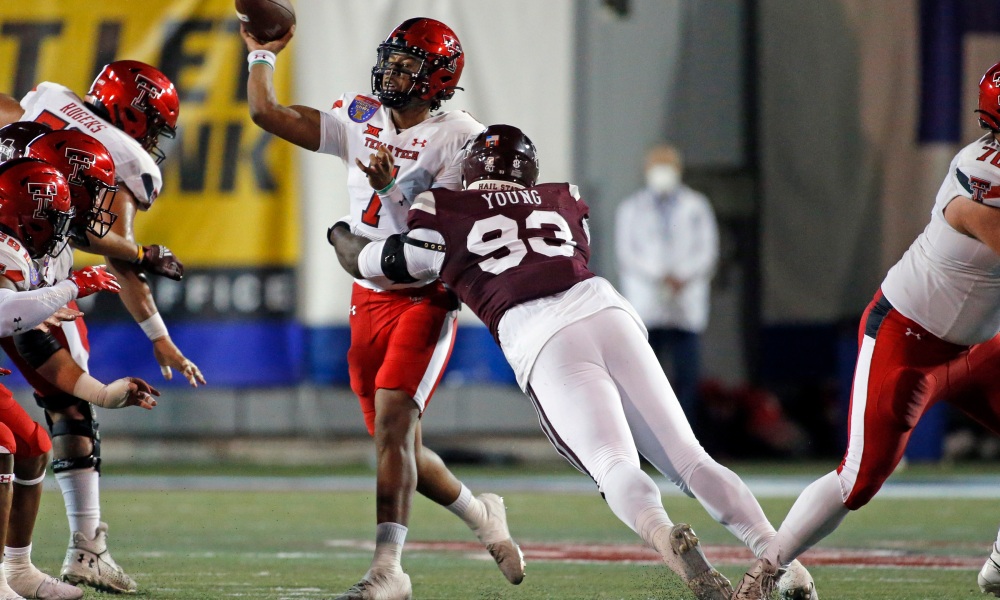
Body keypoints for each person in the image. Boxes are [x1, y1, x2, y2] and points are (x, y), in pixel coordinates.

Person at [330, 124, 817, 600]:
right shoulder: (562, 199)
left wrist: (343, 235)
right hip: (607, 310)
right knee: (691, 460)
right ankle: (787, 566)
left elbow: (376, 264)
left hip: (542, 335)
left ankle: (666, 535)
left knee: (613, 464)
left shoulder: (440, 208)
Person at [242, 17, 523, 599]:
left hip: (425, 297)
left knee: (396, 428)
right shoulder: (359, 116)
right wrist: (261, 57)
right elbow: (268, 114)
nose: (391, 72)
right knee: (399, 445)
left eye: (407, 65)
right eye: (390, 60)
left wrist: (393, 189)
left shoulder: (461, 137)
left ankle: (388, 570)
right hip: (368, 296)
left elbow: (437, 242)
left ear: (438, 79)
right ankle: (481, 514)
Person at [731, 60, 1000, 600]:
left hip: (968, 345)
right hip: (908, 335)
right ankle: (767, 571)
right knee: (861, 476)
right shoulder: (982, 170)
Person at [0, 59, 204, 594]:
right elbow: (113, 248)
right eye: (154, 124)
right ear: (134, 115)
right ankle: (85, 548)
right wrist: (137, 256)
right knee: (62, 408)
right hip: (36, 266)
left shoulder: (48, 102)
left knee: (31, 436)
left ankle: (26, 566)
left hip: (28, 257)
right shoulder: (124, 158)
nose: (155, 139)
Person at [0, 156, 157, 600]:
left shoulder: (24, 255)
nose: (62, 228)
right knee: (2, 446)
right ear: (27, 216)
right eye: (54, 218)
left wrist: (105, 394)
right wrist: (71, 287)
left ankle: (17, 568)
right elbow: (2, 311)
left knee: (33, 444)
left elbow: (38, 348)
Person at [615, 144, 719, 429]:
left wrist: (681, 276)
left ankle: (687, 441)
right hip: (648, 302)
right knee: (645, 379)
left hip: (685, 303)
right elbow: (627, 254)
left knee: (687, 377)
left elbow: (707, 251)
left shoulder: (696, 206)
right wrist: (660, 275)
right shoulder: (631, 208)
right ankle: (646, 443)